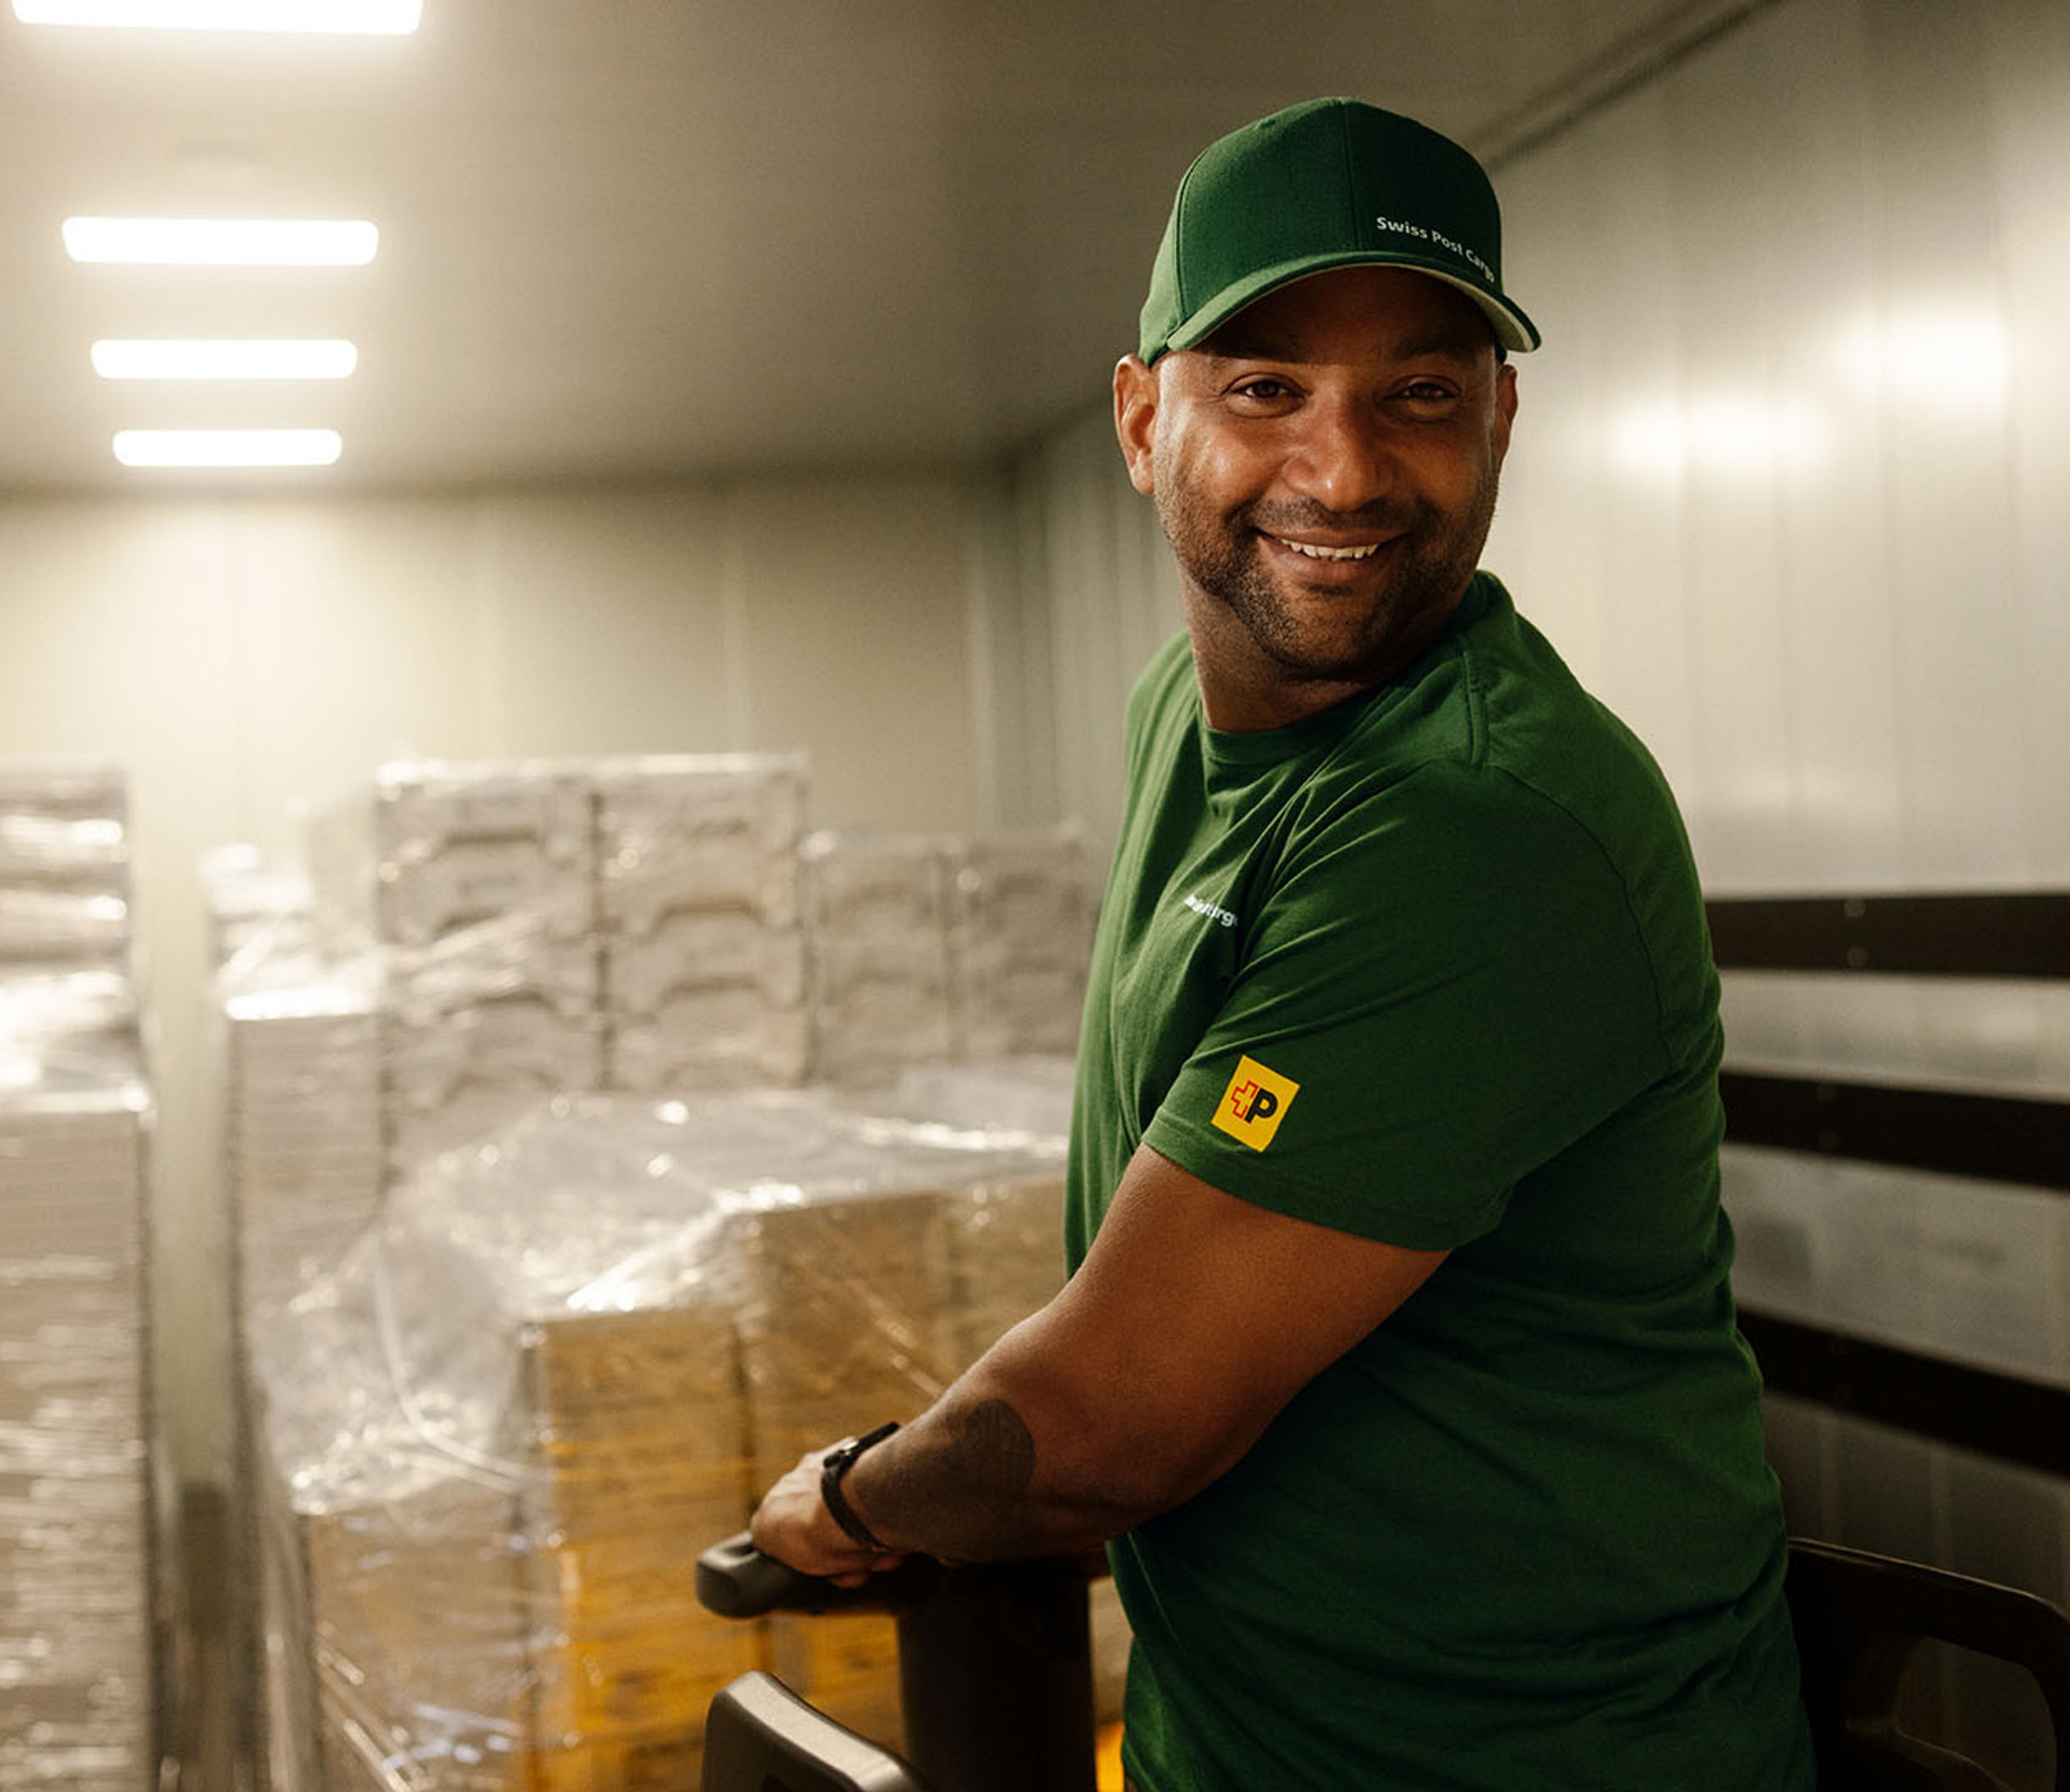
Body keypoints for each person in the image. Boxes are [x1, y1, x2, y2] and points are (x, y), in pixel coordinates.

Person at [745, 95, 1814, 1791]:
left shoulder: (1476, 824)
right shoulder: (1183, 717)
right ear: (1139, 420)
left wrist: (853, 1498)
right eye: (1264, 389)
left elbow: (1111, 1426)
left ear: (1502, 420)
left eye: (1420, 395)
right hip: (1239, 1737)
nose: (1345, 470)